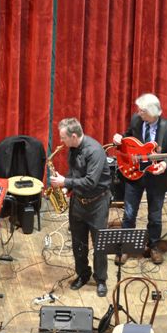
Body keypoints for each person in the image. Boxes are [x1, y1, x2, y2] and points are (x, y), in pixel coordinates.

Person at [113, 93, 167, 264]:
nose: (139, 113)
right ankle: (126, 247)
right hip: (135, 174)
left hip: (157, 178)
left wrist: (164, 164)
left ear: (152, 112)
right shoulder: (136, 120)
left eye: (142, 111)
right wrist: (119, 139)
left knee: (155, 216)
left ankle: (154, 246)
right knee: (129, 214)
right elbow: (127, 138)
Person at [50, 118, 112, 297]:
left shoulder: (95, 151)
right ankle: (83, 274)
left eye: (63, 137)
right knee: (78, 242)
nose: (61, 141)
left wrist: (65, 181)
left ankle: (101, 279)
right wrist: (66, 188)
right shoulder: (72, 149)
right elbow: (74, 173)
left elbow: (91, 182)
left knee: (99, 244)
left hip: (97, 203)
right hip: (78, 202)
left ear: (74, 136)